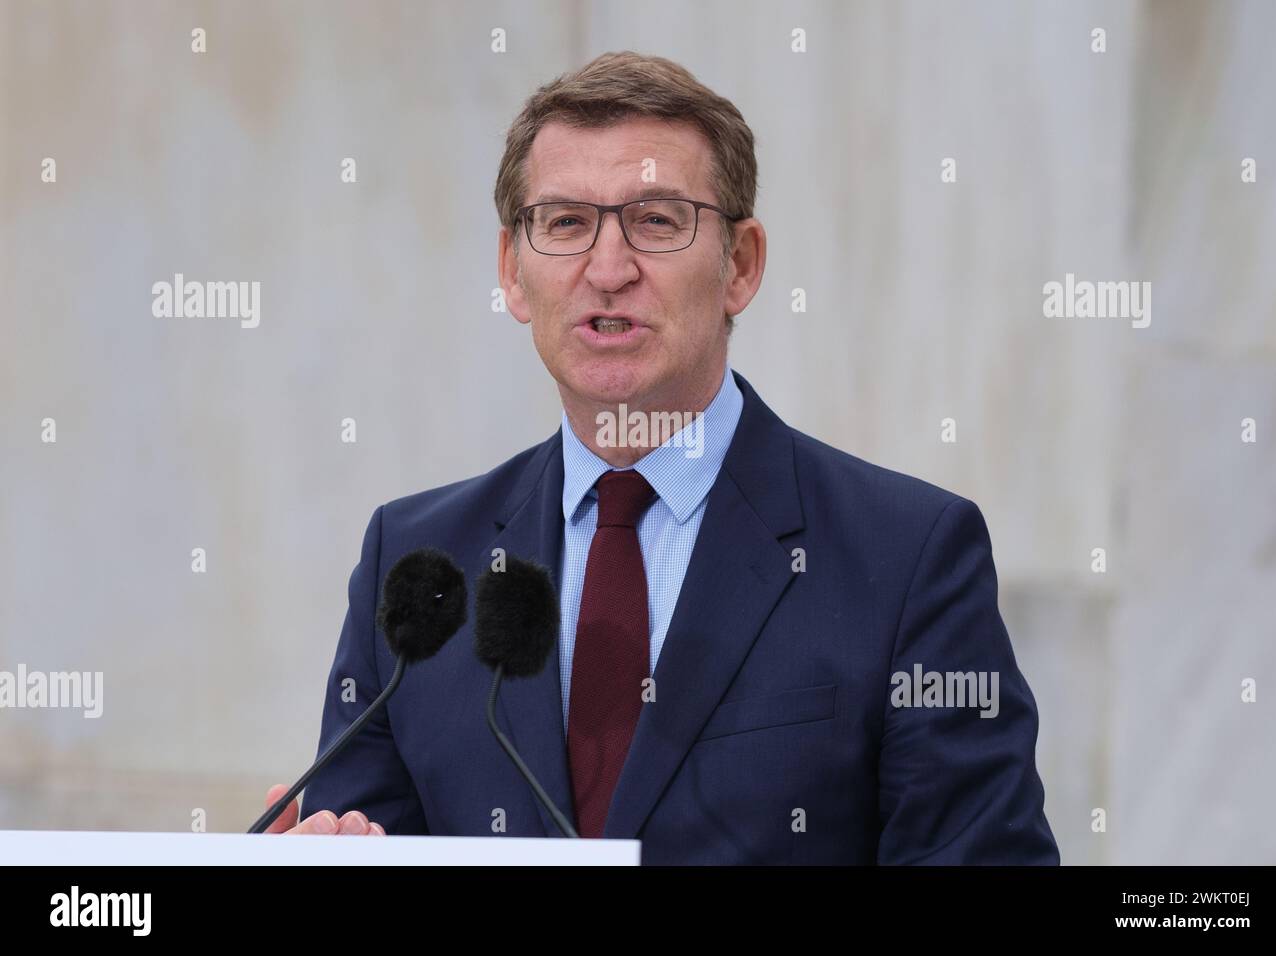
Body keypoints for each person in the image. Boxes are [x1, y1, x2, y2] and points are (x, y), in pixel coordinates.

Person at [267, 50, 1058, 864]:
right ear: (512, 270)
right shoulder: (418, 564)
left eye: (656, 220)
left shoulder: (906, 557)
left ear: (741, 266)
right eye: (566, 223)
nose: (608, 271)